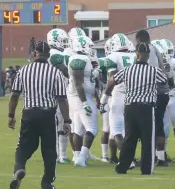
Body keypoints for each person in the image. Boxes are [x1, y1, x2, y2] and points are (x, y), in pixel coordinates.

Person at [8, 41, 71, 189]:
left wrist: (11, 115)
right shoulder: (55, 72)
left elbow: (14, 95)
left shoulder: (23, 71)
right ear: (48, 55)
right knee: (49, 150)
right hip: (48, 114)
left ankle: (19, 168)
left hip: (29, 113)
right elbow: (62, 99)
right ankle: (46, 183)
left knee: (23, 147)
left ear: (34, 53)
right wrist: (67, 120)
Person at [100, 42, 168, 174]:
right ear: (148, 56)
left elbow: (112, 81)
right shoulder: (154, 71)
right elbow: (164, 81)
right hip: (147, 108)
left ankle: (122, 167)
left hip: (130, 108)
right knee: (147, 140)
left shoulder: (127, 70)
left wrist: (104, 99)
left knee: (129, 139)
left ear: (136, 55)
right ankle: (146, 169)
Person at [135, 30, 173, 166]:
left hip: (153, 93)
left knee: (148, 127)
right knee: (158, 126)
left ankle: (150, 158)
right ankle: (160, 157)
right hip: (163, 92)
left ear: (139, 40)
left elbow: (149, 70)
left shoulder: (148, 50)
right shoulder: (157, 49)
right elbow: (166, 72)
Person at [101, 33, 136, 169]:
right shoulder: (135, 56)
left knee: (116, 130)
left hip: (118, 95)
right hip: (133, 96)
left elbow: (112, 80)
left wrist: (104, 98)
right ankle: (124, 157)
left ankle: (128, 160)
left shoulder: (113, 57)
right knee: (129, 131)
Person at [68, 36, 99, 167]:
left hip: (83, 96)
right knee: (92, 129)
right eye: (89, 46)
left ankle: (77, 157)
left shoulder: (83, 59)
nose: (91, 49)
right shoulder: (78, 59)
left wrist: (96, 96)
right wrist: (85, 102)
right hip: (80, 97)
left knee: (79, 130)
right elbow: (78, 84)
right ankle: (81, 157)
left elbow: (88, 82)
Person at [47, 28, 71, 164]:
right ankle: (59, 154)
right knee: (59, 124)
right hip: (56, 93)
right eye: (63, 41)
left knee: (61, 124)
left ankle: (61, 155)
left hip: (58, 92)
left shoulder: (56, 53)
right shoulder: (54, 54)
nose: (65, 44)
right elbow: (65, 71)